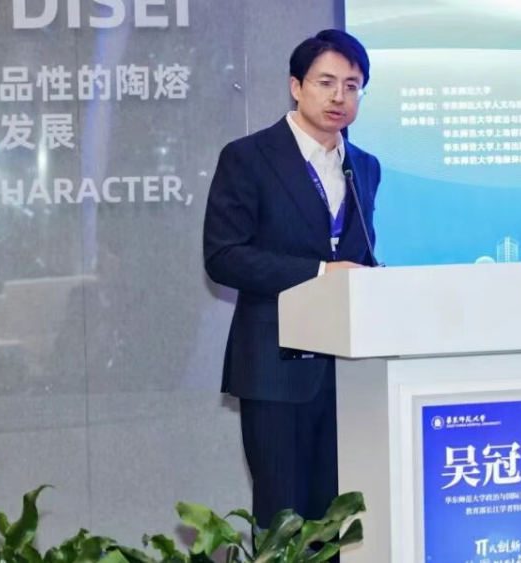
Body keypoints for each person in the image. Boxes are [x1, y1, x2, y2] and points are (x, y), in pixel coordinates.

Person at [202, 29, 380, 528]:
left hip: (350, 372)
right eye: (326, 82)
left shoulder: (365, 167)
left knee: (339, 522)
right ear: (296, 86)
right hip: (275, 368)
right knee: (283, 521)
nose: (339, 96)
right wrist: (320, 272)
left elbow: (356, 252)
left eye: (352, 86)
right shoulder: (248, 157)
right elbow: (224, 257)